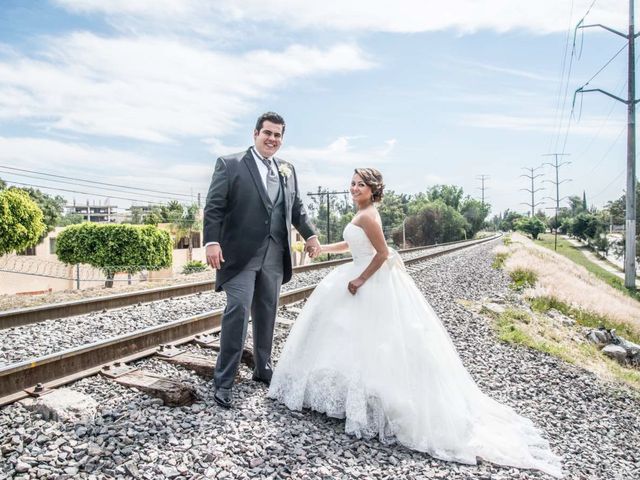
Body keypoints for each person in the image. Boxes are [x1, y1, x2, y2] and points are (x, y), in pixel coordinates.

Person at [268, 168, 563, 478]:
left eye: (361, 185)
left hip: (367, 280)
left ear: (373, 189)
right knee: (353, 340)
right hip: (360, 273)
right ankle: (356, 397)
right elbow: (355, 245)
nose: (354, 188)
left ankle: (370, 402)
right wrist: (323, 248)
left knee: (368, 341)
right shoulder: (364, 213)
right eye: (353, 183)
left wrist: (359, 280)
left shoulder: (368, 215)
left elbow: (381, 254)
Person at [203, 112, 319, 409]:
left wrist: (310, 235)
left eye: (278, 135)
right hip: (239, 256)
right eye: (267, 133)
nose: (272, 139)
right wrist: (212, 241)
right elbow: (214, 207)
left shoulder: (287, 169)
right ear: (255, 134)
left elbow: (297, 208)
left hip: (274, 255)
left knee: (267, 312)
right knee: (238, 311)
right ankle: (224, 380)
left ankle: (262, 368)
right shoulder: (230, 164)